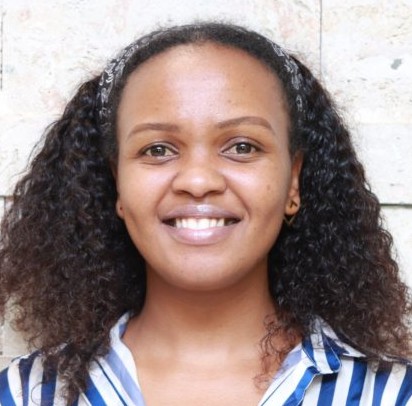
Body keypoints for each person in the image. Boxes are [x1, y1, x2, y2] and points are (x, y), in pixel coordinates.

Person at [0, 22, 411, 406]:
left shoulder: (394, 394)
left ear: (293, 181)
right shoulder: (26, 394)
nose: (198, 181)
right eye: (157, 149)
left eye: (242, 147)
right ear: (117, 183)